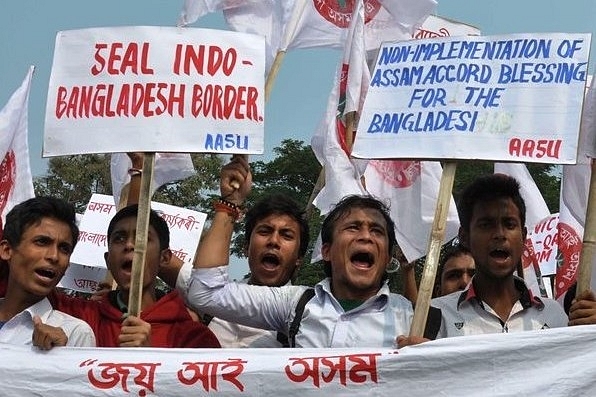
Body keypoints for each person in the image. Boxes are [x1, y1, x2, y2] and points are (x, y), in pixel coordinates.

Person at [184, 156, 414, 347]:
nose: (365, 236)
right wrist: (230, 204)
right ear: (326, 251)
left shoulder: (414, 318)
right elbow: (205, 292)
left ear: (387, 258)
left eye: (376, 231)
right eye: (353, 227)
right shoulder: (295, 304)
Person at [52, 204, 221, 348]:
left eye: (142, 239)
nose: (129, 245)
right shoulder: (75, 315)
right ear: (108, 260)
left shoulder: (194, 339)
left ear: (164, 258)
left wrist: (149, 359)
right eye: (119, 239)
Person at [430, 174, 568, 338]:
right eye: (486, 225)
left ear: (523, 236)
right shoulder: (435, 317)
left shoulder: (555, 316)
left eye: (509, 225)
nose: (500, 234)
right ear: (465, 237)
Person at [205, 193, 310, 347]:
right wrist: (229, 202)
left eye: (286, 235)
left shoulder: (304, 321)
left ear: (299, 258)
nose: (274, 241)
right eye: (265, 231)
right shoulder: (210, 299)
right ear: (246, 248)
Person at [0, 197, 95, 348]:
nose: (54, 256)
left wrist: (58, 358)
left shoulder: (74, 333)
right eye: (42, 242)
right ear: (7, 250)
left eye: (64, 248)